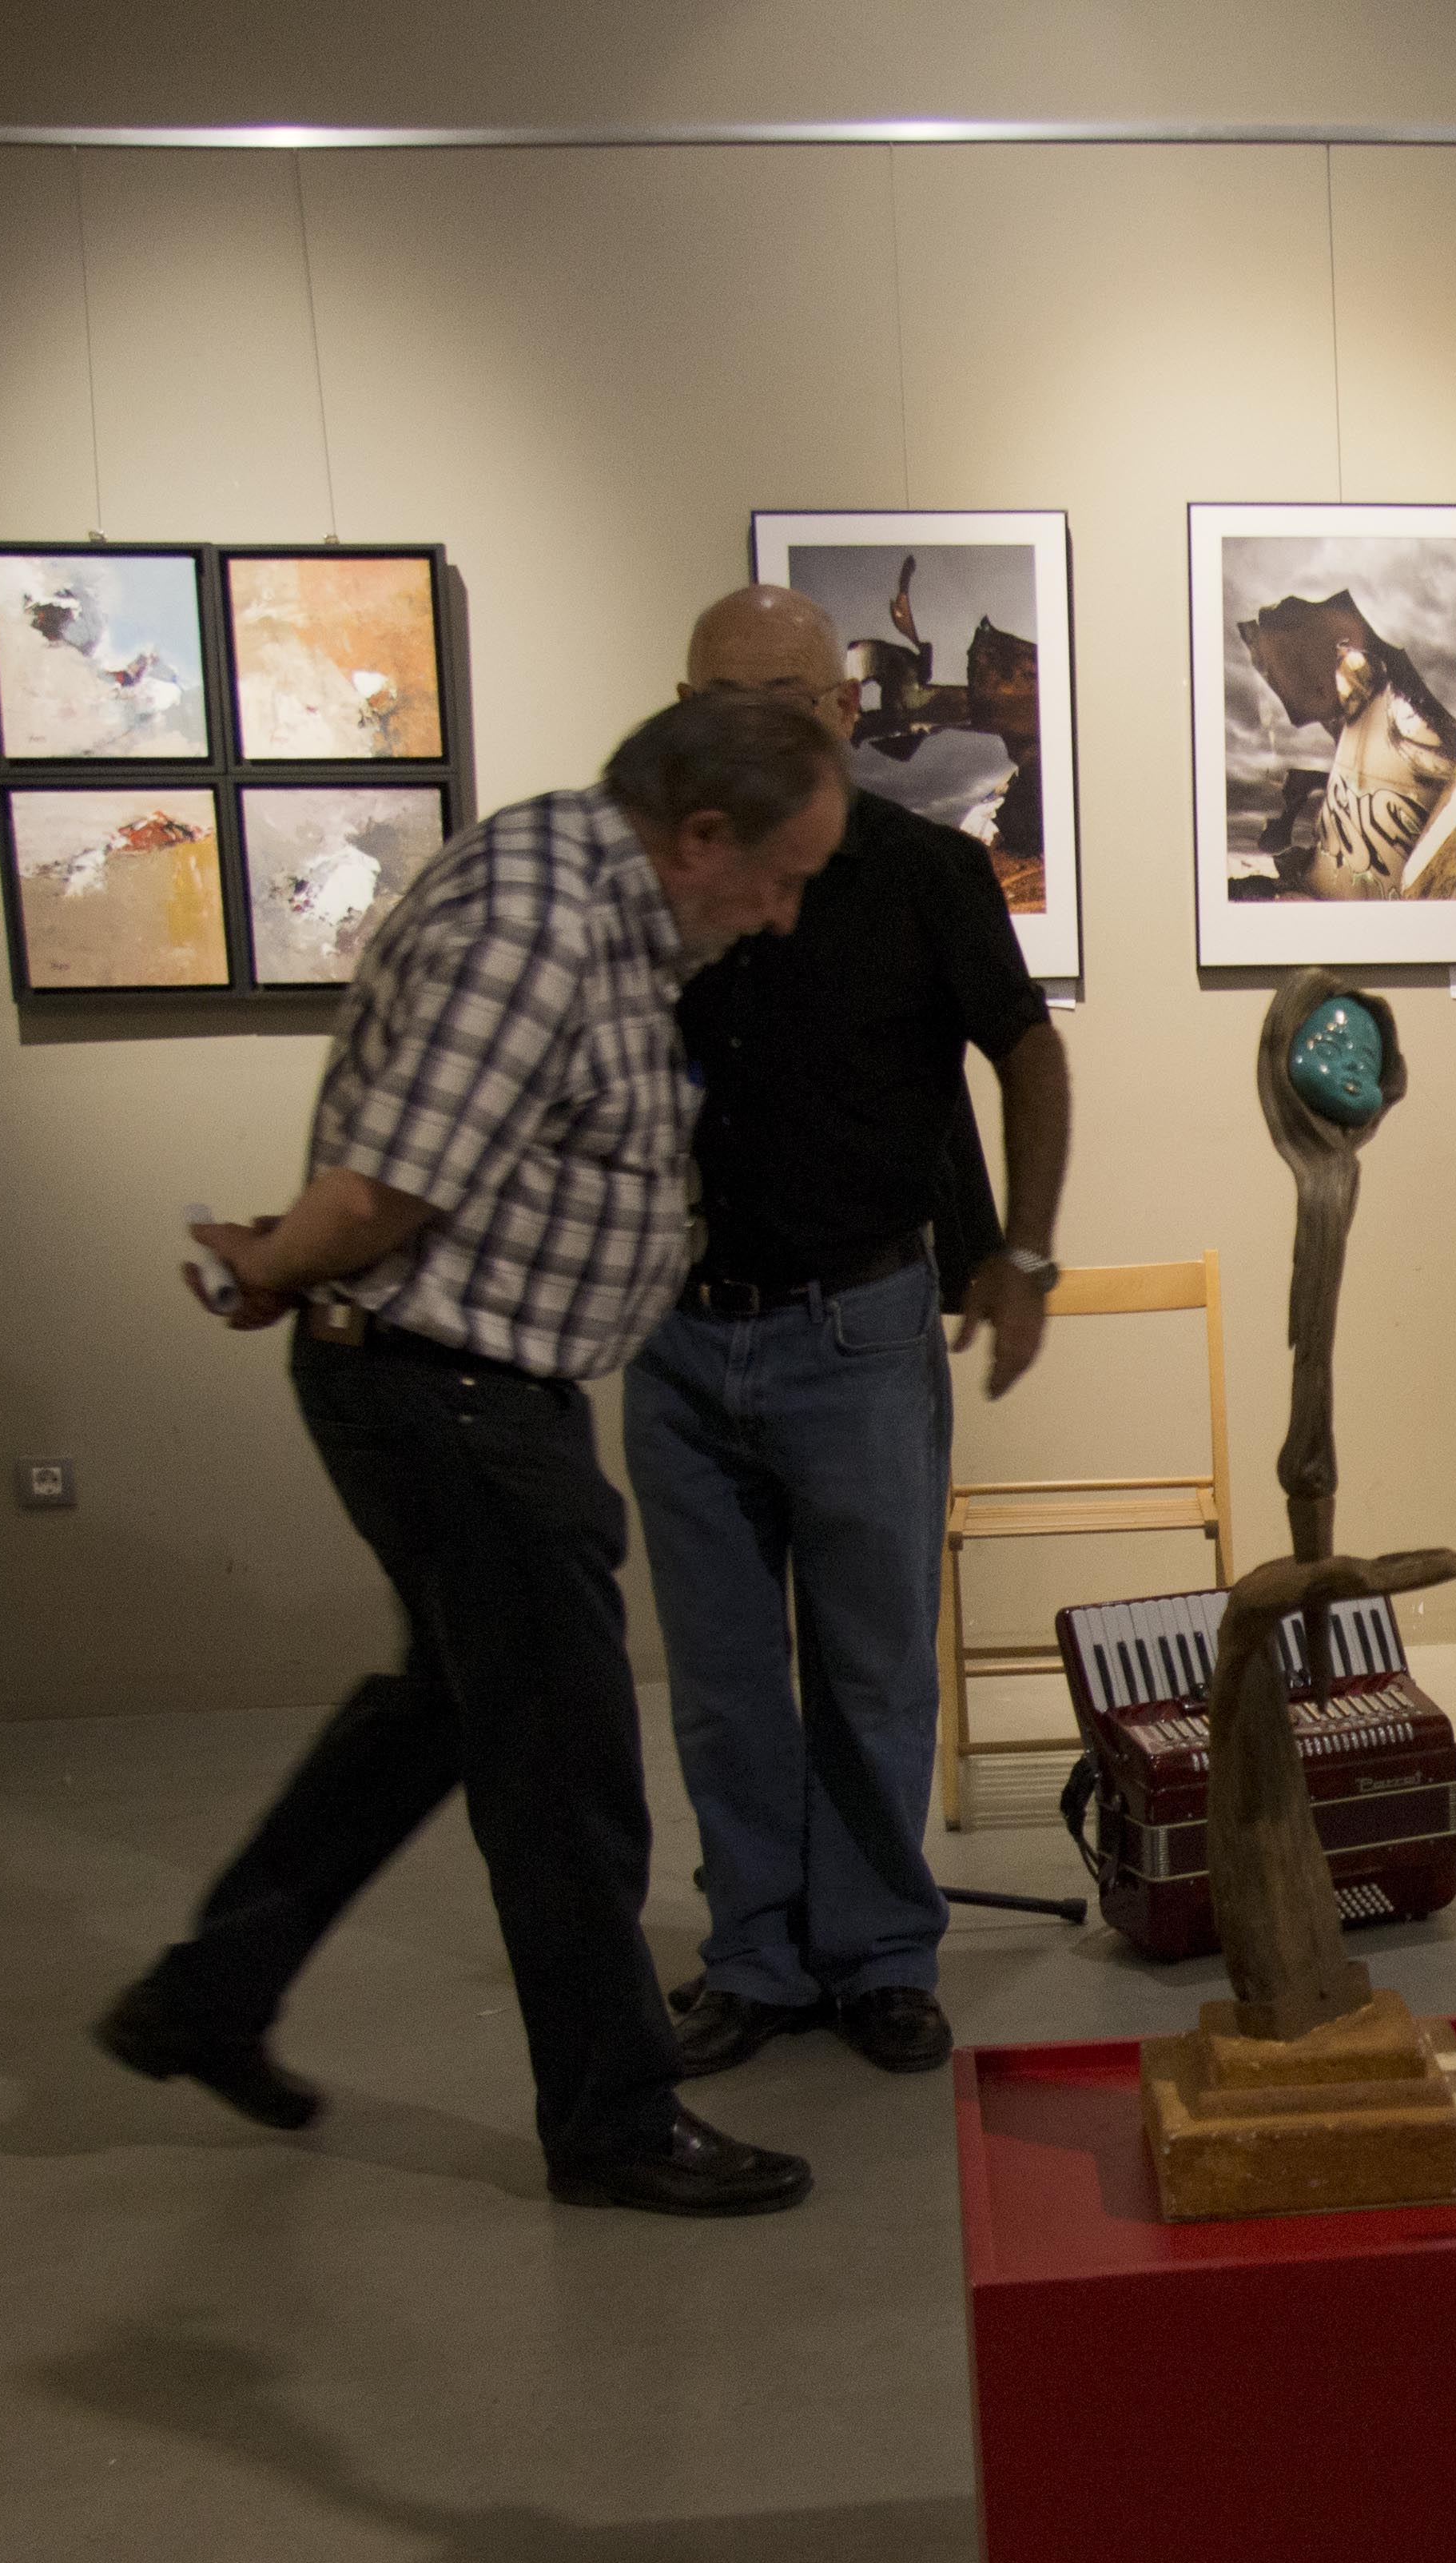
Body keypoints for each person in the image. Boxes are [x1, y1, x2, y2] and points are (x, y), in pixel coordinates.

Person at [91, 689, 851, 2219]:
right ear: (702, 836)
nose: (781, 918)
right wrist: (270, 1266)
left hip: (472, 1389)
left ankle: (207, 1995)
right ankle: (614, 2120)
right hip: (452, 1397)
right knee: (563, 1771)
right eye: (780, 880)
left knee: (442, 1712)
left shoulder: (591, 900)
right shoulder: (539, 926)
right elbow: (388, 1189)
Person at [624, 587, 1073, 2079]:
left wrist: (1021, 1252)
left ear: (841, 711)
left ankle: (879, 1949)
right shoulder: (652, 880)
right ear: (683, 712)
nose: (755, 732)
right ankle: (755, 1953)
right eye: (724, 704)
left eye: (788, 703)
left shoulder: (924, 872)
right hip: (683, 1335)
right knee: (724, 1682)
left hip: (859, 1333)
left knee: (874, 1671)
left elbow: (1027, 1051)